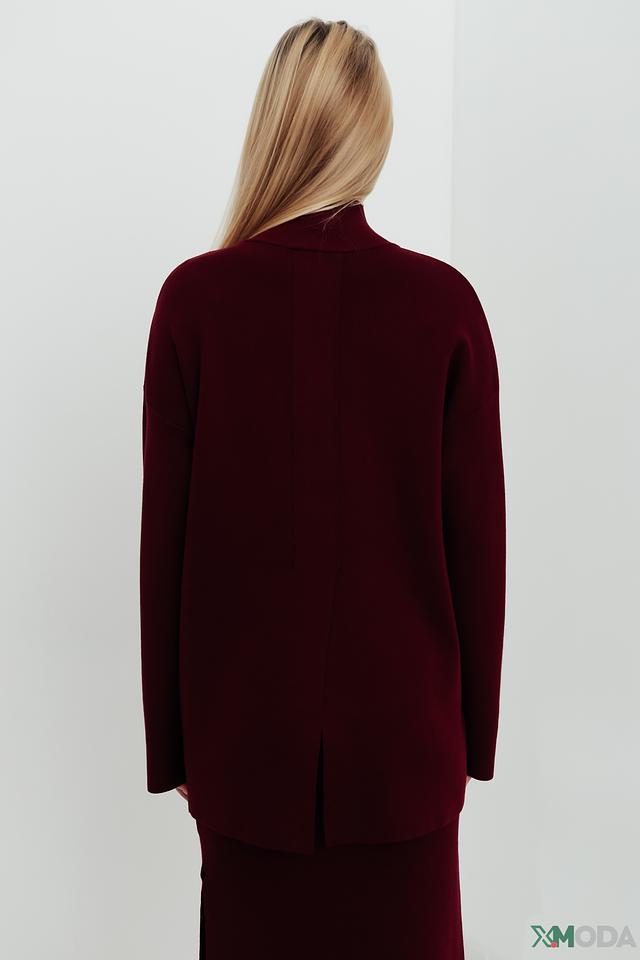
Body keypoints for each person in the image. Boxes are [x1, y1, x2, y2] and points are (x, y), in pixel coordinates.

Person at [139, 16, 506, 960]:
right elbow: (479, 547)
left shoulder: (194, 304)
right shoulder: (445, 307)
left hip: (242, 766)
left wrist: (175, 750)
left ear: (274, 127)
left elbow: (164, 553)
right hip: (408, 764)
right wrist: (469, 741)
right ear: (370, 134)